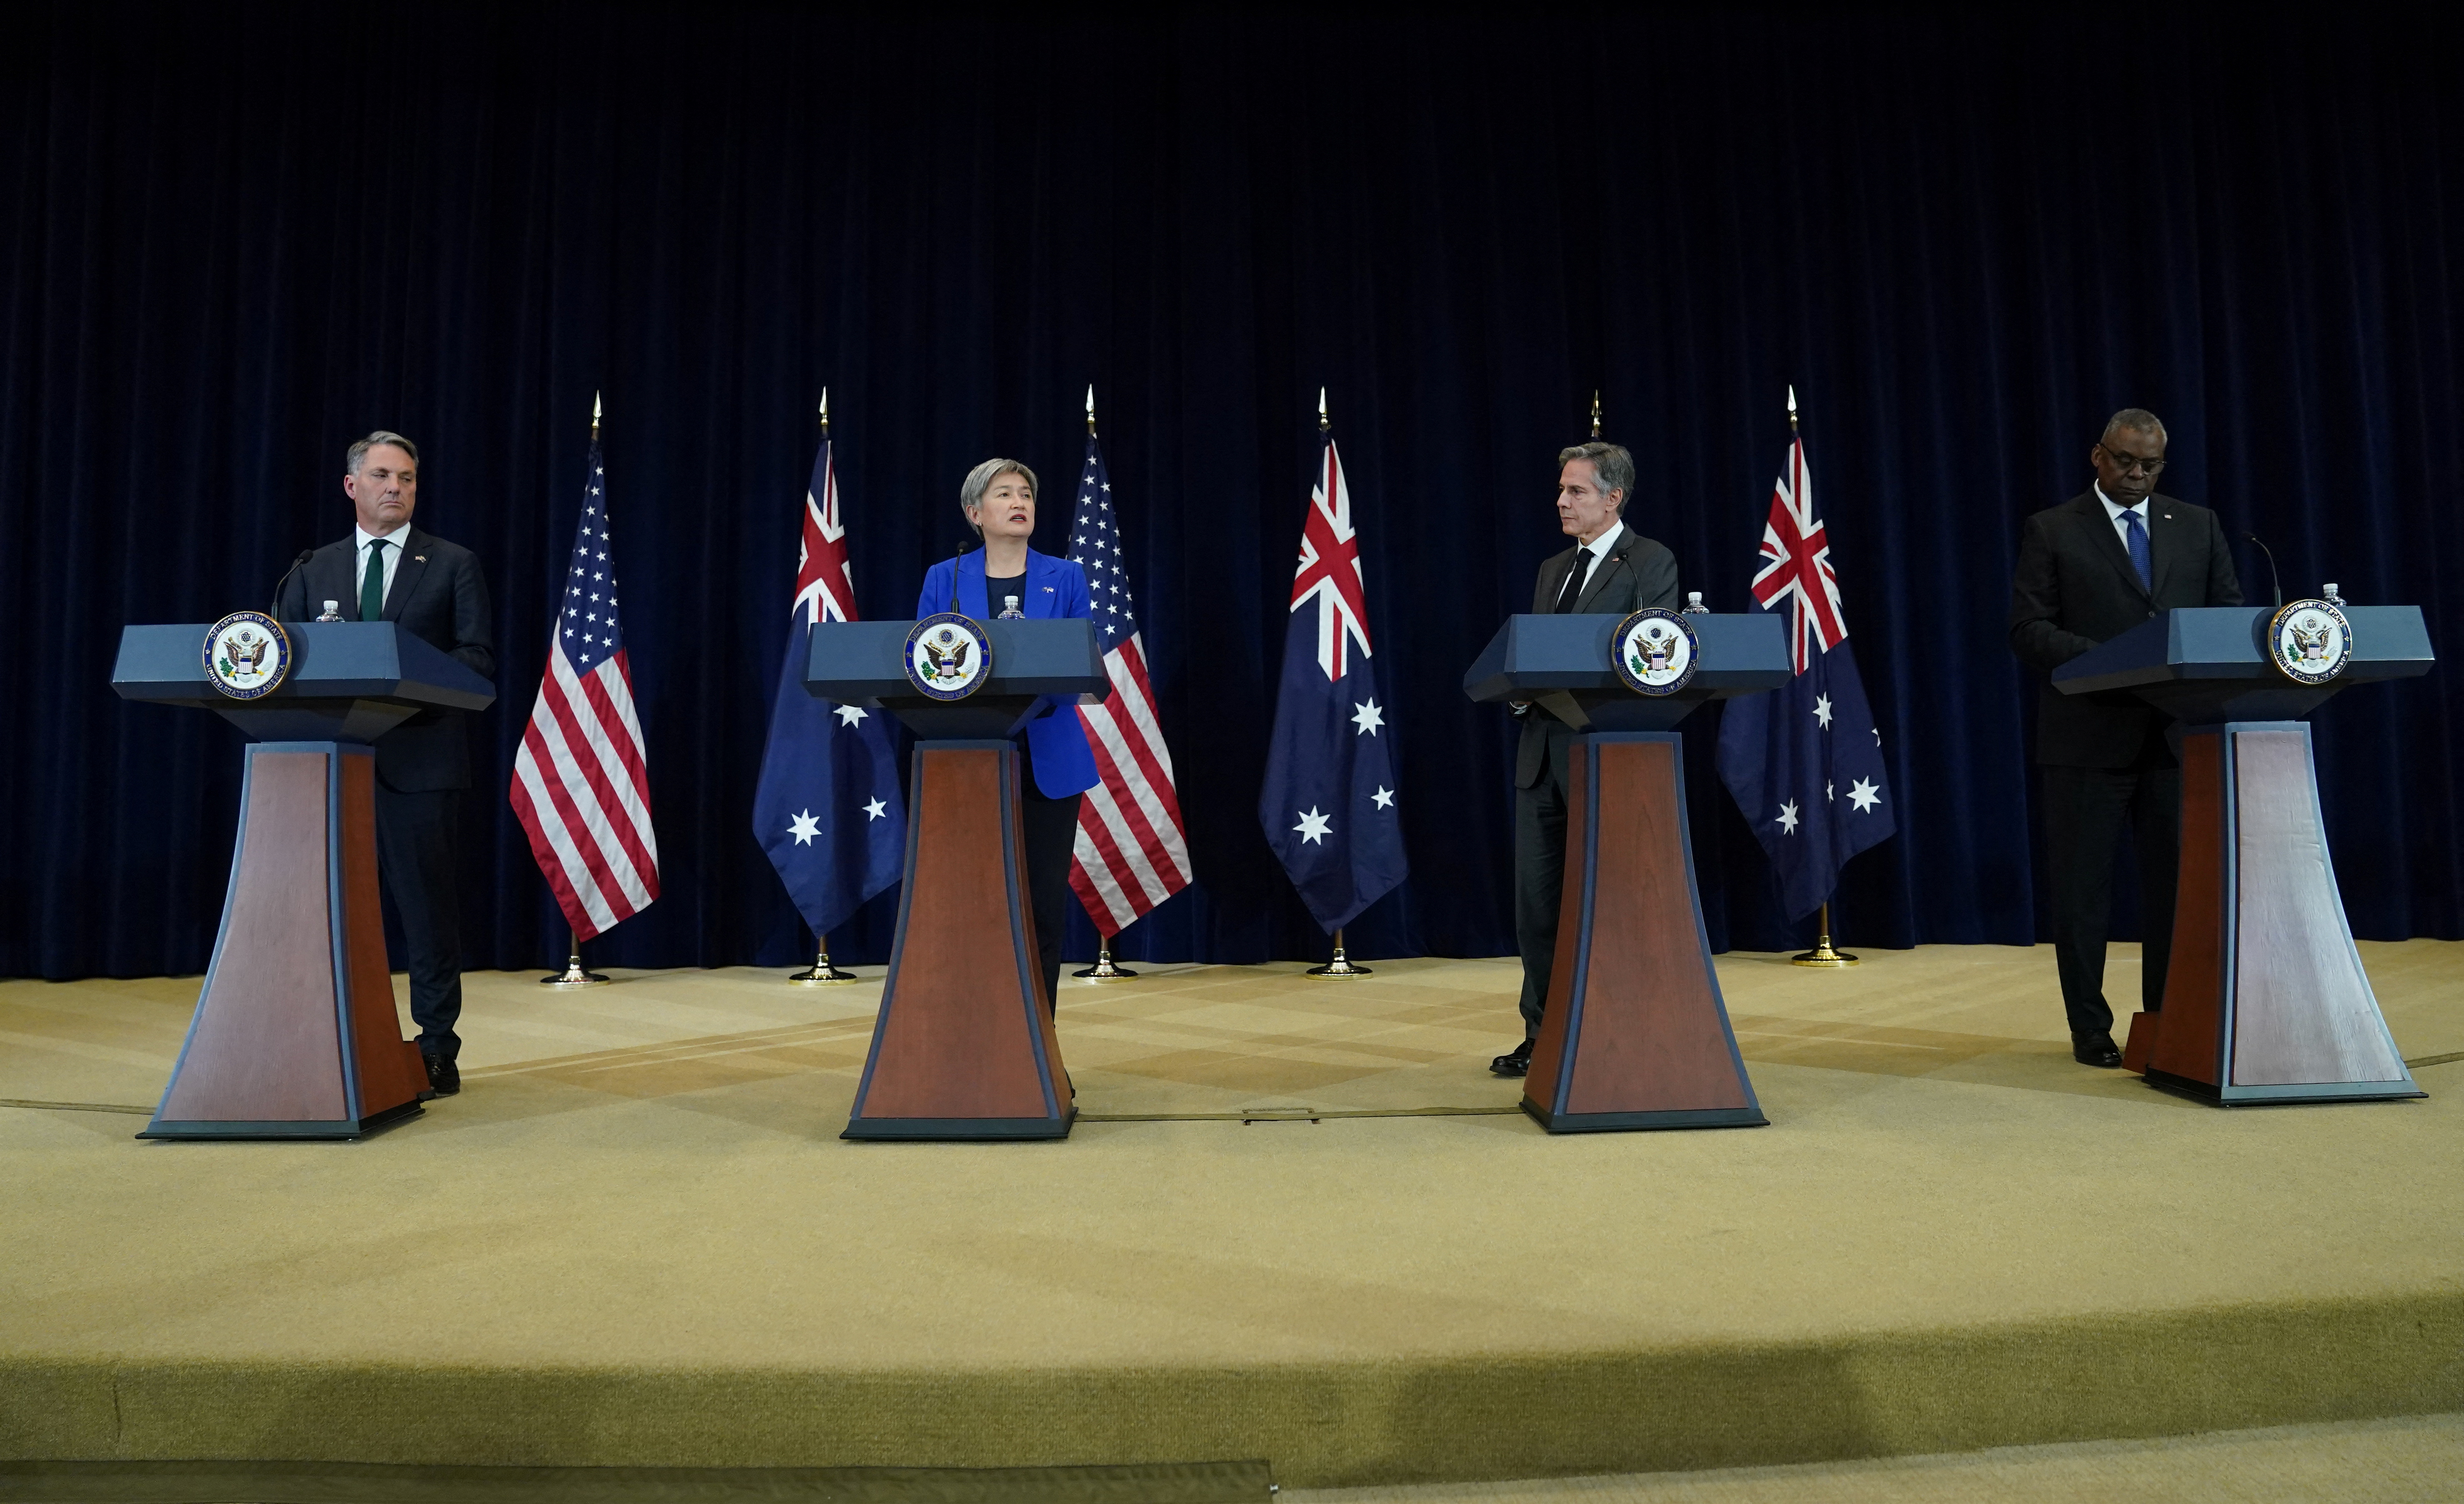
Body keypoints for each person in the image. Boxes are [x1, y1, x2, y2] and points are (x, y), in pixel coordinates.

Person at [2008, 409, 2241, 1068]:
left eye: (2150, 465)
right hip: (2087, 739)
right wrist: (2119, 660)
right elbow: (2028, 629)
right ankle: (2090, 1028)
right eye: (2125, 461)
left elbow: (2228, 616)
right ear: (2097, 457)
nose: (2137, 474)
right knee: (2084, 895)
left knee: (2176, 891)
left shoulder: (2197, 525)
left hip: (2175, 739)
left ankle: (2166, 1021)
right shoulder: (2053, 529)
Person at [276, 431, 494, 1096]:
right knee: (323, 913)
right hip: (329, 766)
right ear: (352, 486)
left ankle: (435, 1046)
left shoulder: (453, 563)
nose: (394, 487)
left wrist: (403, 676)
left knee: (427, 914)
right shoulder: (313, 569)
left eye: (406, 478)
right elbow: (280, 658)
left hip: (420, 763)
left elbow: (479, 661)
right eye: (380, 475)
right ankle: (323, 1040)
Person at [1492, 441, 1681, 1078]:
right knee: (1538, 908)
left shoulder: (1649, 563)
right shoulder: (1553, 568)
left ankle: (1616, 1030)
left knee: (1611, 903)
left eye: (1576, 492)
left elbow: (1654, 658)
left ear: (1613, 498)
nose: (1562, 502)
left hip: (1607, 758)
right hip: (1541, 758)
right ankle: (1541, 1035)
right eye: (1562, 490)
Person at [915, 458, 1098, 1009]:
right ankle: (976, 1040)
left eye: (1026, 494)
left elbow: (1080, 668)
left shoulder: (1065, 578)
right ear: (976, 512)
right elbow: (923, 669)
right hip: (968, 763)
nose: (1019, 502)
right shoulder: (943, 579)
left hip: (1049, 762)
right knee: (973, 909)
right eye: (1004, 494)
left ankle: (1041, 1047)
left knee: (1042, 910)